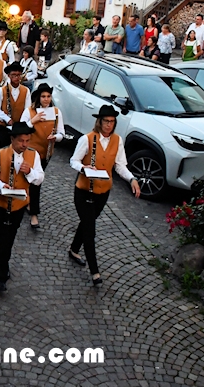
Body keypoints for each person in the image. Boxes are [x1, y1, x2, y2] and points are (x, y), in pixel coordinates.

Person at [69, 105, 141, 286]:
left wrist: (132, 179)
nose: (109, 125)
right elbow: (74, 161)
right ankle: (95, 272)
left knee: (87, 222)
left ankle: (73, 249)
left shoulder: (117, 141)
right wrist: (84, 168)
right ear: (99, 122)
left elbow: (119, 165)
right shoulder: (87, 139)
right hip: (84, 190)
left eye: (112, 122)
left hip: (103, 192)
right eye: (106, 121)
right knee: (90, 229)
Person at [0, 121, 44, 292]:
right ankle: (0, 274)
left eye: (27, 141)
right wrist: (1, 186)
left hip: (19, 205)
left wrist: (29, 172)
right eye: (21, 141)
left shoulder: (33, 155)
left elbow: (39, 178)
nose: (24, 144)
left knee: (9, 237)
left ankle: (2, 266)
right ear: (13, 139)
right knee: (2, 236)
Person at [21, 82, 64, 229]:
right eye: (43, 96)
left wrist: (56, 138)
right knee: (31, 180)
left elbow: (61, 132)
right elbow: (21, 129)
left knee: (36, 180)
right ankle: (32, 211)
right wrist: (34, 121)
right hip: (31, 151)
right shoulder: (29, 111)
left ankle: (31, 206)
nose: (46, 99)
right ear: (38, 97)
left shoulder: (56, 112)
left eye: (48, 96)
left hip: (46, 153)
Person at [0, 62, 30, 148]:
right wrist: (7, 119)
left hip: (19, 126)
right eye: (13, 75)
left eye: (18, 75)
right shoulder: (1, 90)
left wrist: (22, 124)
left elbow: (28, 110)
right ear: (9, 76)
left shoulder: (26, 91)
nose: (16, 77)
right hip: (4, 126)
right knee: (5, 149)